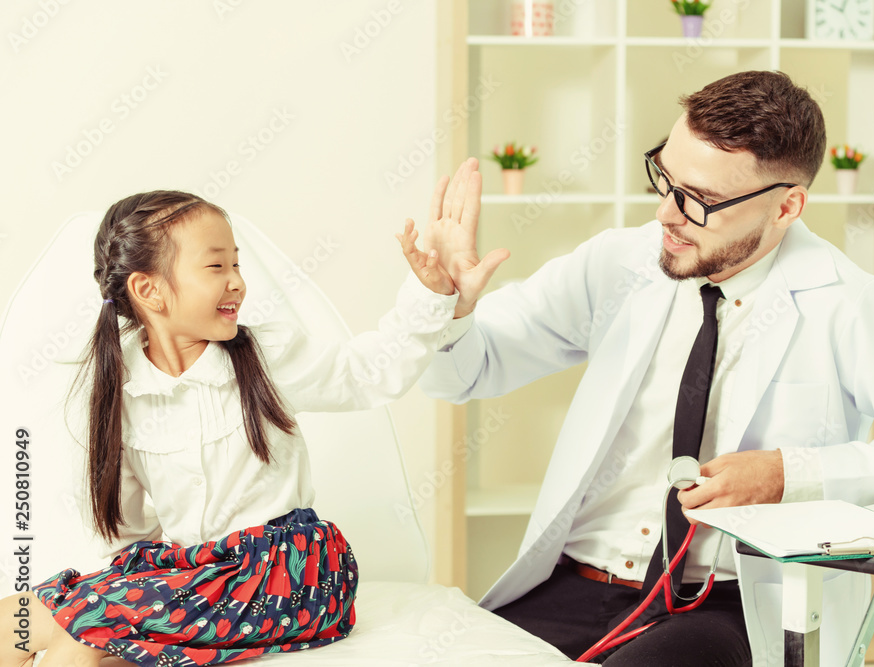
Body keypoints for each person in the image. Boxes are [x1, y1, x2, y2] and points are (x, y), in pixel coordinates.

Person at [419, 70, 874, 665]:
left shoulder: (848, 301)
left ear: (787, 207)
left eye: (703, 202)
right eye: (666, 179)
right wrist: (448, 309)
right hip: (574, 583)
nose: (668, 214)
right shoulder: (617, 262)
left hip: (727, 603)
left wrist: (787, 473)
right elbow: (468, 372)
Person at [0, 178, 500, 667]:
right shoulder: (120, 389)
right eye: (216, 266)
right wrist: (130, 595)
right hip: (198, 576)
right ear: (148, 290)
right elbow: (127, 531)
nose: (237, 280)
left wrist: (432, 294)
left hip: (286, 575)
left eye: (236, 263)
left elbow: (366, 374)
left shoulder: (262, 356)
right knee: (16, 618)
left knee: (78, 641)